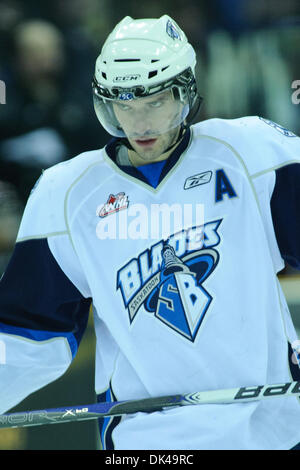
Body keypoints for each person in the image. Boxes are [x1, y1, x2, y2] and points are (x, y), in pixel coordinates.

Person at [0, 15, 300, 451]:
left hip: (275, 424)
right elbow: (25, 333)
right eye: (124, 104)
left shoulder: (253, 153)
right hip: (150, 440)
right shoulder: (65, 195)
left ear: (185, 92)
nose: (139, 124)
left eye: (154, 102)